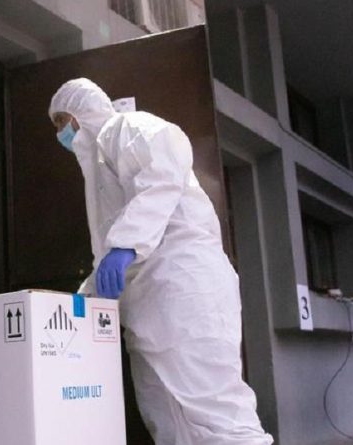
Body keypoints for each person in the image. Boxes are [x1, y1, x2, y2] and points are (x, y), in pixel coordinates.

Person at [48, 78, 273, 445]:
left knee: (215, 411)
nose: (61, 133)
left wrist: (125, 245)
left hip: (186, 288)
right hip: (149, 306)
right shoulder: (99, 169)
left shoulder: (126, 127)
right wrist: (86, 295)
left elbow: (165, 168)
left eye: (61, 121)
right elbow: (109, 253)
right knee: (165, 417)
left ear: (80, 111)